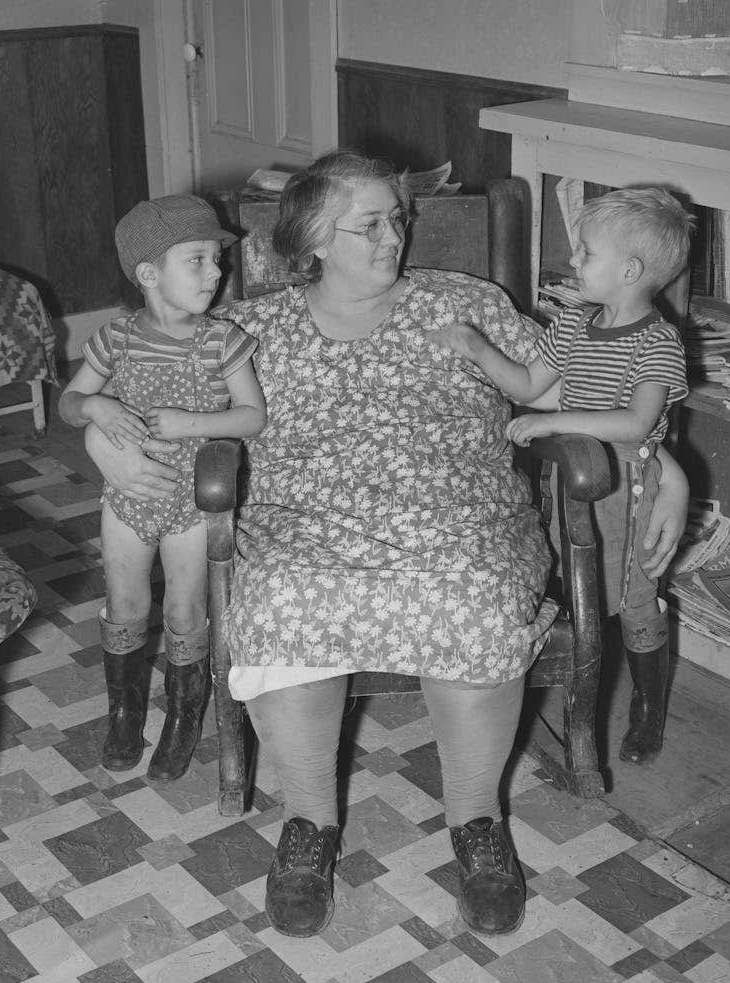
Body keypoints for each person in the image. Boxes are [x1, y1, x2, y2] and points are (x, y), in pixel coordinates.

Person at [83, 152, 690, 940]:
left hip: (458, 513)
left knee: (471, 593)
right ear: (312, 238)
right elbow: (139, 392)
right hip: (304, 519)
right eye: (369, 223)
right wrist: (99, 422)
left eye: (397, 219)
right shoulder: (250, 330)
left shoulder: (465, 301)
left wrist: (662, 462)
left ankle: (477, 825)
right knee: (283, 596)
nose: (393, 235)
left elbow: (571, 387)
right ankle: (310, 827)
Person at [429, 186, 693, 768]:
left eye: (585, 253)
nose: (573, 262)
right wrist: (475, 347)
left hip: (630, 488)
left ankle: (647, 709)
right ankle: (570, 692)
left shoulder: (658, 342)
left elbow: (637, 424)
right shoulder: (575, 323)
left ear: (629, 271)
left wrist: (555, 419)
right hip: (570, 479)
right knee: (572, 586)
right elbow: (525, 384)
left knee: (635, 600)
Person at [59, 195, 267, 782]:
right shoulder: (115, 339)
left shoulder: (222, 342)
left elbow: (252, 417)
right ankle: (124, 711)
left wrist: (192, 423)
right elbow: (69, 404)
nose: (215, 272)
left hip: (192, 503)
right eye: (197, 260)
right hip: (126, 500)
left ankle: (182, 715)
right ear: (149, 274)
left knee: (185, 608)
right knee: (125, 603)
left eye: (217, 260)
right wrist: (95, 403)